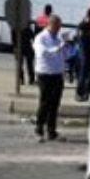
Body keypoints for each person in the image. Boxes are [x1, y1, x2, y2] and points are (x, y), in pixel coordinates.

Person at [32, 14, 68, 142]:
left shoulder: (58, 38)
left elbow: (64, 55)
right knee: (45, 102)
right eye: (57, 26)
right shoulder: (41, 38)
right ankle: (39, 129)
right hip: (45, 74)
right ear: (51, 24)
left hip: (57, 74)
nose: (59, 29)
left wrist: (65, 47)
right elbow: (43, 53)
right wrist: (58, 48)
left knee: (55, 103)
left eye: (60, 27)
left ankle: (51, 131)